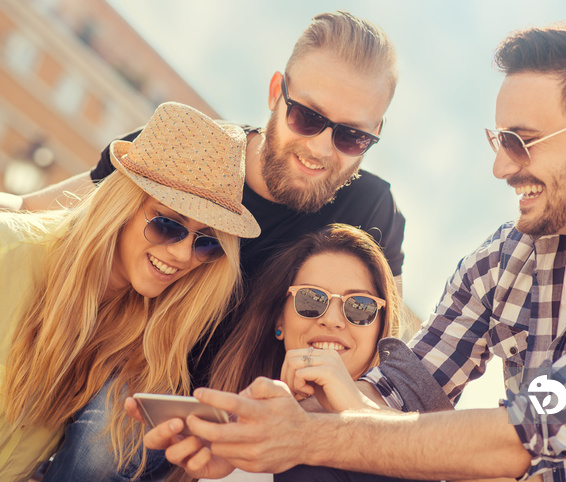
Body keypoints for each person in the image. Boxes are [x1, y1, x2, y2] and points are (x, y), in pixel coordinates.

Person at [142, 19, 566, 481]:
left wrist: (303, 437)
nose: (501, 167)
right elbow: (400, 393)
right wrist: (247, 435)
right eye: (498, 141)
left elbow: (528, 434)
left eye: (521, 142)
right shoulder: (508, 259)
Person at [10, 10, 408, 480]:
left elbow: (387, 353)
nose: (322, 149)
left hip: (258, 416)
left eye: (353, 135)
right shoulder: (195, 156)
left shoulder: (371, 208)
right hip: (137, 378)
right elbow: (40, 213)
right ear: (276, 92)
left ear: (375, 132)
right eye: (307, 117)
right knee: (105, 447)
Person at [0, 101, 260, 481]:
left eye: (207, 243)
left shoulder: (136, 344)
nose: (184, 254)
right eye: (168, 225)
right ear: (122, 204)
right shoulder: (9, 252)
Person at [135, 223, 412, 481]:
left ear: (380, 328)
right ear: (280, 321)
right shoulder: (237, 431)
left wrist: (356, 409)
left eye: (359, 306)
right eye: (310, 298)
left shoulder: (414, 434)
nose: (332, 319)